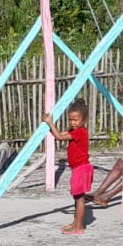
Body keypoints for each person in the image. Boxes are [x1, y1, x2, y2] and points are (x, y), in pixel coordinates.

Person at [44, 100, 92, 235]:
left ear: (84, 119)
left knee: (80, 199)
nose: (72, 123)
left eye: (75, 120)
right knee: (77, 198)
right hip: (78, 169)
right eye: (70, 120)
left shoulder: (80, 132)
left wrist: (50, 122)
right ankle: (76, 222)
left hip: (81, 168)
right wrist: (50, 125)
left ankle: (79, 226)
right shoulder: (75, 130)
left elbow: (58, 137)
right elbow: (59, 134)